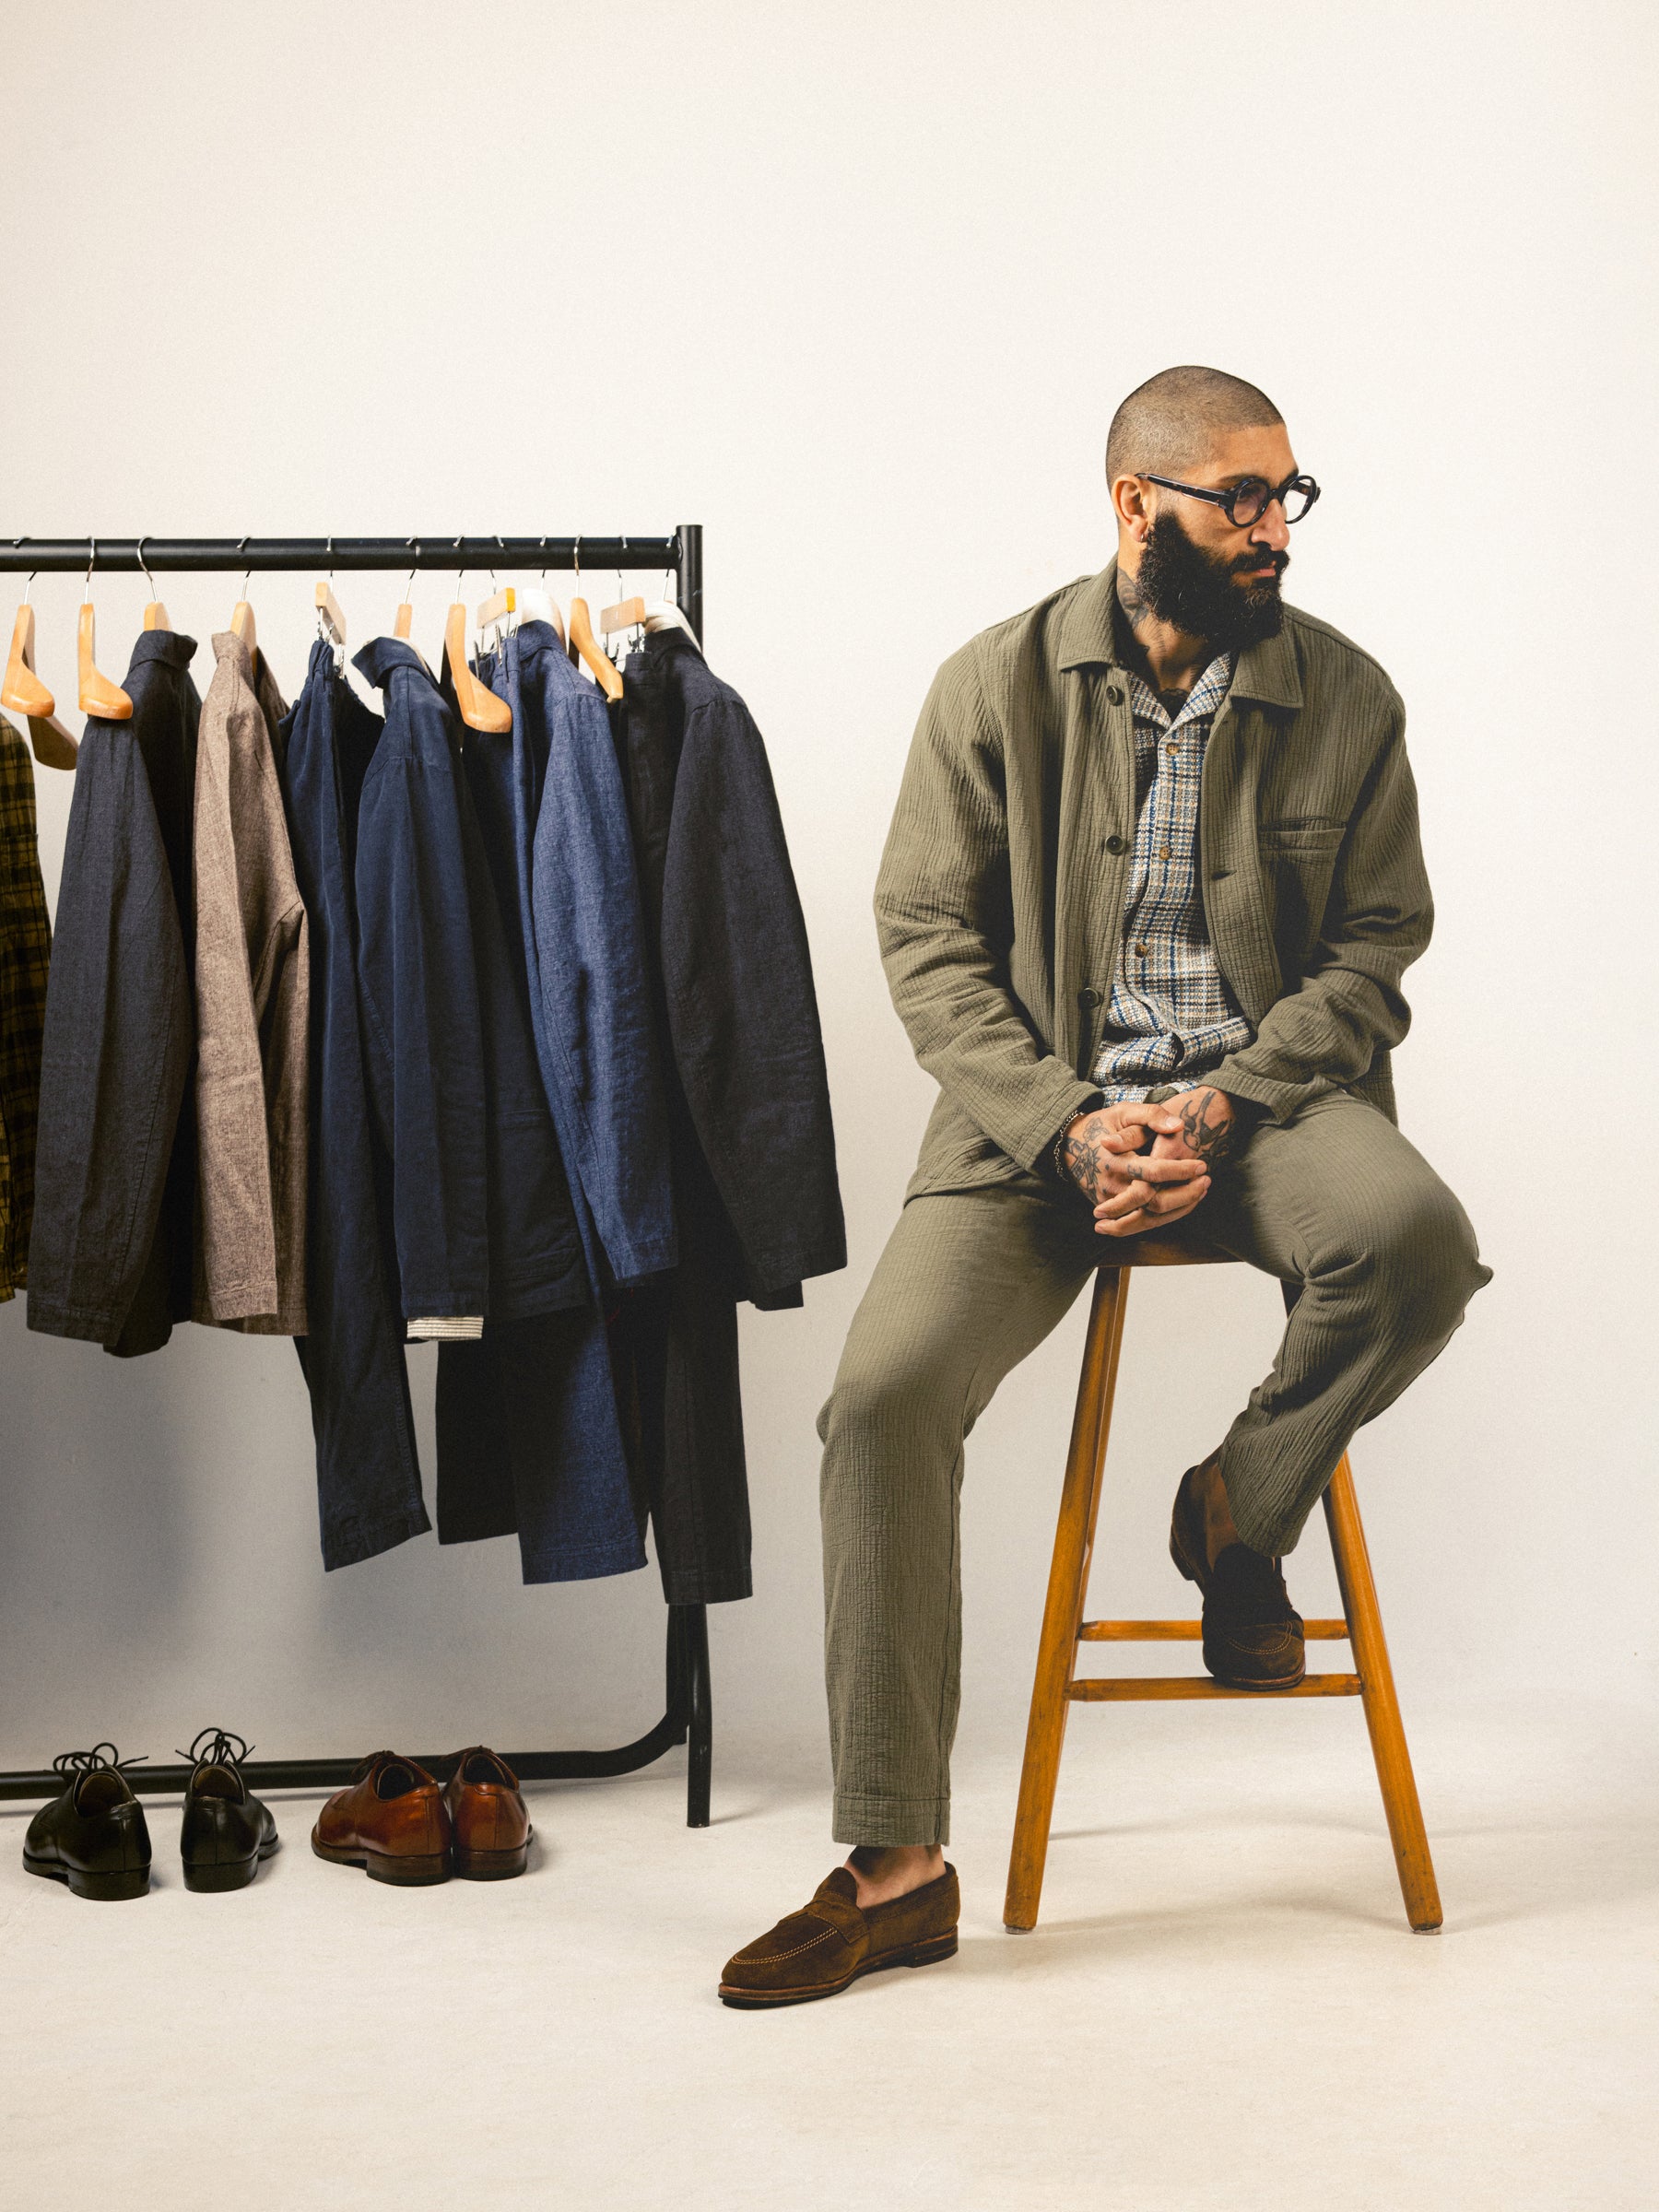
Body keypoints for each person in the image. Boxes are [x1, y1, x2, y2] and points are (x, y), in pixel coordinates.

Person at [717, 366, 1489, 2009]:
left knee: (1419, 1243)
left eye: (1290, 494)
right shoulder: (993, 685)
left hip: (1266, 1108)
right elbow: (925, 944)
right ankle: (897, 1866)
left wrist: (1225, 1104)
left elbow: (1376, 946)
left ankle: (1237, 1507)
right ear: (1138, 507)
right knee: (884, 1399)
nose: (1276, 528)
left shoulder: (1346, 695)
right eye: (1241, 498)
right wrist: (1072, 1124)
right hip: (1035, 1132)